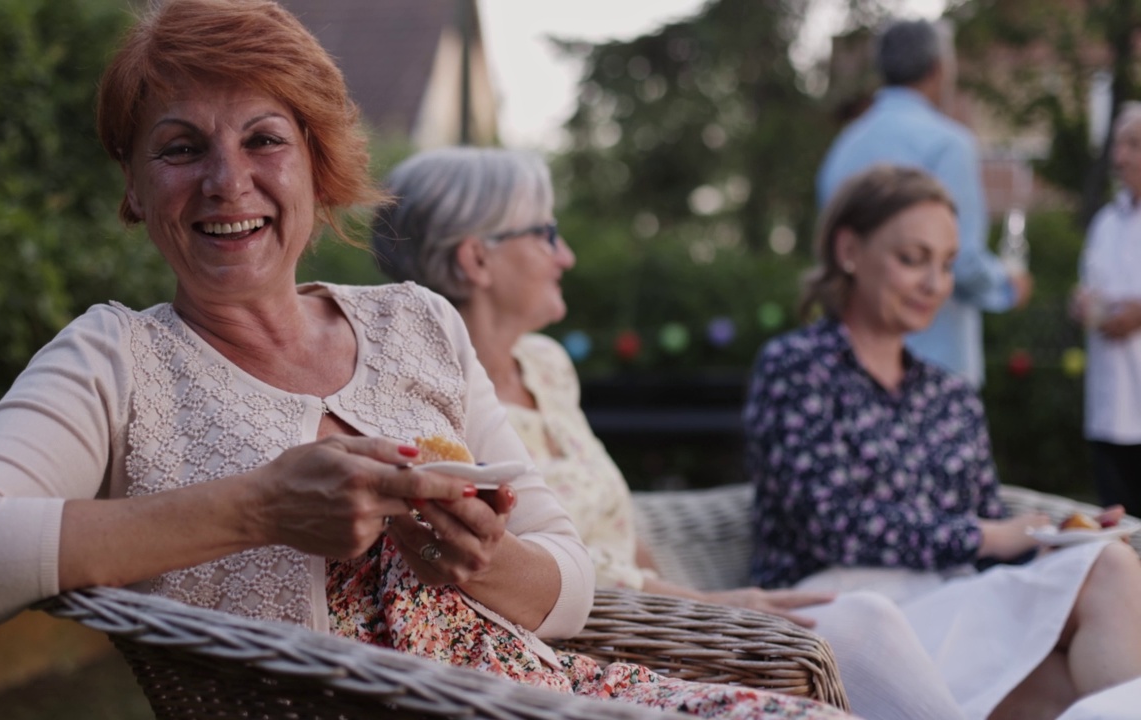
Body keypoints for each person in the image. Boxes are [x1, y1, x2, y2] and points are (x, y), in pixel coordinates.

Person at [0, 2, 852, 717]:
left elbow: (565, 579)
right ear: (137, 192)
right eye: (180, 148)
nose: (228, 182)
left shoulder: (416, 323)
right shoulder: (116, 361)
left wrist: (485, 559)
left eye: (264, 139)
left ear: (317, 167)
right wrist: (257, 507)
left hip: (546, 693)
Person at [371, 145, 973, 720]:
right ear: (477, 259)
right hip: (594, 650)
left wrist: (703, 612)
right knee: (863, 617)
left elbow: (621, 527)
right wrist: (710, 610)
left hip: (673, 623)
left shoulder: (546, 366)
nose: (567, 256)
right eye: (547, 234)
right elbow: (507, 568)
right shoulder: (436, 403)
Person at [747, 163, 1141, 720]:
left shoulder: (950, 395)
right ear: (849, 250)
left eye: (948, 264)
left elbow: (988, 542)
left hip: (951, 608)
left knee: (1108, 566)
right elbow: (828, 524)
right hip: (837, 612)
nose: (935, 285)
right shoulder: (796, 369)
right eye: (913, 259)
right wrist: (989, 535)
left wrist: (1051, 541)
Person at [815, 19, 1032, 387]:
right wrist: (1006, 287)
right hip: (934, 369)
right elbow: (961, 261)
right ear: (938, 69)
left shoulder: (844, 148)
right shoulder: (948, 146)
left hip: (850, 367)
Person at [1072, 101, 1141, 513]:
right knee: (1118, 527)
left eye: (1133, 144)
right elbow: (1090, 288)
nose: (1120, 156)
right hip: (1109, 404)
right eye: (1118, 144)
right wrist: (1083, 306)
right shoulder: (1105, 223)